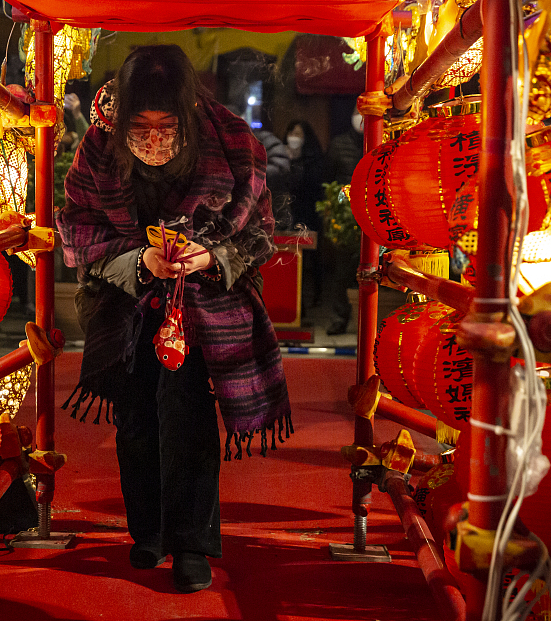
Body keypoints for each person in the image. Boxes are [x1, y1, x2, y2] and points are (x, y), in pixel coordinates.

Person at [56, 45, 292, 594]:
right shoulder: (97, 149)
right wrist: (141, 260)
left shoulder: (232, 144)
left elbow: (258, 235)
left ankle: (191, 542)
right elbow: (78, 229)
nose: (155, 137)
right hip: (126, 297)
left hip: (205, 300)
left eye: (168, 125)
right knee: (136, 415)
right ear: (121, 121)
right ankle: (148, 531)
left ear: (188, 116)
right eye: (141, 125)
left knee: (185, 414)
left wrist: (210, 257)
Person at [325, 104, 365, 335]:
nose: (359, 118)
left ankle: (368, 319)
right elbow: (327, 180)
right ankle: (340, 318)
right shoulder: (339, 144)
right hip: (344, 214)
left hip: (373, 212)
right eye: (356, 112)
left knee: (371, 268)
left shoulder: (379, 140)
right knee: (341, 270)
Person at [284, 119, 328, 306]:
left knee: (311, 258)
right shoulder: (280, 155)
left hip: (308, 213)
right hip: (286, 215)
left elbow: (314, 184)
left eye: (299, 134)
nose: (294, 137)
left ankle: (314, 298)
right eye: (292, 132)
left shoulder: (314, 159)